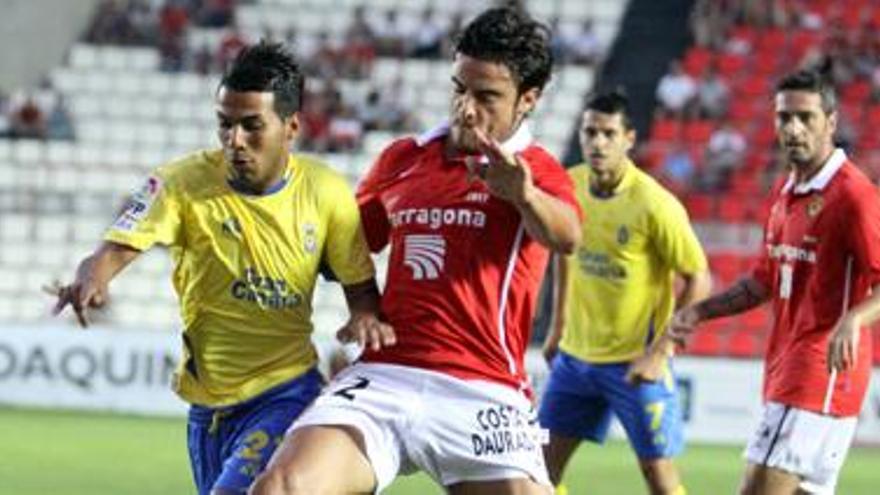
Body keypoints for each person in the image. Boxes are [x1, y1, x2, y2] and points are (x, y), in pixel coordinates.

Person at [250, 7, 582, 495]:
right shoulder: (404, 158)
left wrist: (523, 195)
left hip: (484, 389)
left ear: (528, 100)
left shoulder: (536, 169)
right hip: (385, 375)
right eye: (460, 89)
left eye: (487, 96)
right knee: (280, 488)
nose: (467, 108)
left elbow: (567, 235)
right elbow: (344, 247)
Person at [49, 41, 392, 495]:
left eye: (252, 126)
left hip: (286, 391)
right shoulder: (180, 183)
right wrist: (91, 276)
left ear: (291, 127)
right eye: (224, 125)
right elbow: (113, 250)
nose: (235, 140)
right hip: (206, 410)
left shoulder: (326, 192)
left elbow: (361, 288)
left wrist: (364, 316)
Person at [668, 70, 880, 495]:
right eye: (785, 118)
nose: (793, 128)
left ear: (831, 122)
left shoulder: (853, 195)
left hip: (816, 374)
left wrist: (854, 320)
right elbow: (764, 281)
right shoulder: (787, 193)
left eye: (806, 117)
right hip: (794, 373)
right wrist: (699, 310)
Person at [538, 91, 712, 495]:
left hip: (634, 365)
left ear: (629, 138)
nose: (598, 142)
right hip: (575, 360)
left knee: (659, 478)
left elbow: (699, 279)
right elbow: (564, 254)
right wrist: (557, 327)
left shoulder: (654, 203)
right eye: (590, 132)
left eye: (608, 133)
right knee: (539, 473)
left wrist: (660, 351)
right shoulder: (570, 185)